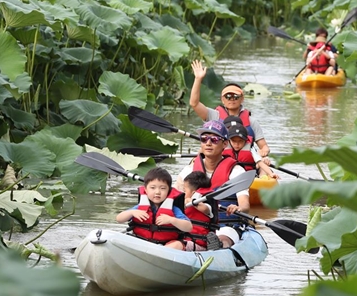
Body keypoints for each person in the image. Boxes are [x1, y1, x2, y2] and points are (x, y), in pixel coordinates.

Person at [175, 120, 251, 248]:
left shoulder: (236, 171)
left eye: (214, 139)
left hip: (225, 225)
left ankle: (219, 246)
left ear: (225, 143)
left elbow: (245, 204)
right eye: (204, 139)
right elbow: (175, 197)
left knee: (223, 238)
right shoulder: (190, 169)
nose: (208, 143)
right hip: (195, 224)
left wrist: (238, 208)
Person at [189, 60, 271, 157]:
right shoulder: (214, 115)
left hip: (243, 162)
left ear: (242, 99)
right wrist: (198, 79)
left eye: (235, 96)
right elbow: (194, 103)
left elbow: (264, 146)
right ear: (222, 99)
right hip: (218, 159)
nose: (231, 99)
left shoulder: (251, 122)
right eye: (228, 96)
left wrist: (263, 152)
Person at [116, 167, 192, 249]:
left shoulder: (174, 209)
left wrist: (171, 220)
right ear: (145, 190)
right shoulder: (139, 208)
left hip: (165, 246)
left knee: (178, 245)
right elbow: (119, 219)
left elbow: (189, 227)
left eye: (162, 188)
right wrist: (132, 212)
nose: (157, 192)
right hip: (141, 242)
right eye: (152, 188)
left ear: (169, 191)